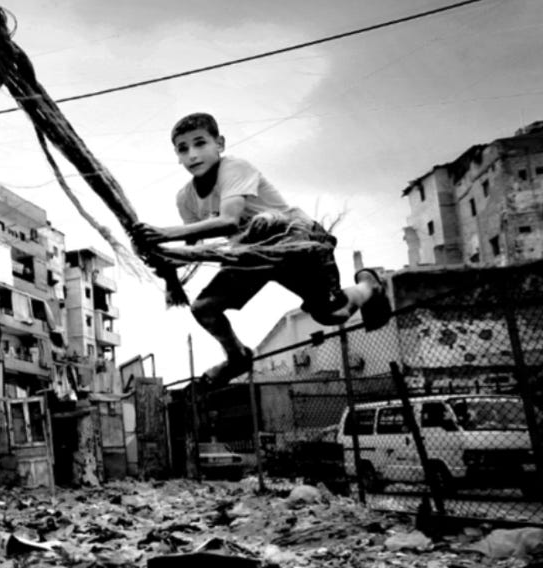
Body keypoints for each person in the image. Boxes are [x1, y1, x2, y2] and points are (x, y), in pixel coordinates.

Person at [133, 112, 391, 384]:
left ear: (219, 144)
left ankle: (368, 286)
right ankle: (237, 357)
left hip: (293, 240)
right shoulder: (185, 198)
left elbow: (229, 220)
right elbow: (195, 247)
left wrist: (163, 234)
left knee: (330, 314)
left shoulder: (234, 168)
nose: (192, 155)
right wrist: (166, 260)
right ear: (177, 155)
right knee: (204, 309)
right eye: (183, 149)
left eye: (200, 143)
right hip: (251, 255)